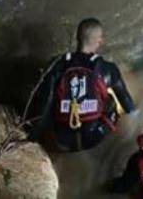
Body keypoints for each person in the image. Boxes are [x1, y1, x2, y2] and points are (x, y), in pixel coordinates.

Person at [28, 18, 136, 152]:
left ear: (77, 37)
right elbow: (128, 104)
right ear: (100, 41)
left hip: (62, 141)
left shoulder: (56, 64)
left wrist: (33, 136)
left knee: (50, 95)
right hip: (95, 138)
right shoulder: (108, 69)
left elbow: (45, 104)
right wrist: (134, 122)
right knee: (111, 100)